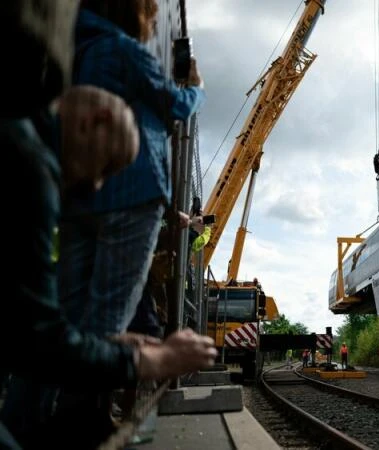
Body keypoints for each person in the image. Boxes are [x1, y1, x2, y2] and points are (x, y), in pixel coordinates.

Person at [0, 3, 218, 446]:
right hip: (133, 197)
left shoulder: (70, 47)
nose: (154, 20)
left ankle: (27, 425)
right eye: (150, 12)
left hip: (76, 205)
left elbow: (40, 334)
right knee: (109, 320)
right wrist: (197, 87)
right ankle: (79, 433)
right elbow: (175, 104)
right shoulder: (123, 50)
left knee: (56, 318)